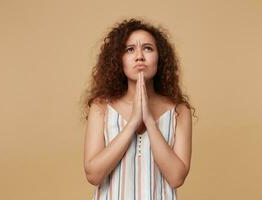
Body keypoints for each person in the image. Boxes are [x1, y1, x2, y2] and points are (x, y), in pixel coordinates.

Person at [82, 18, 196, 200]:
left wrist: (149, 121)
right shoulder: (101, 108)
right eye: (130, 49)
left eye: (148, 48)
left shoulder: (179, 111)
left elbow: (177, 178)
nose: (139, 56)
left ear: (160, 58)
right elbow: (93, 175)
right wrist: (133, 122)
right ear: (119, 60)